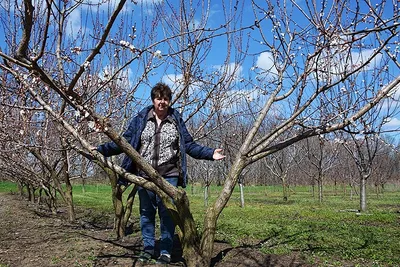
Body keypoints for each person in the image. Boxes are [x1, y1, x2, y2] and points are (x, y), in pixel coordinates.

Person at [96, 82, 225, 264]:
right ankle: (148, 249)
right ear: (153, 99)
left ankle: (165, 251)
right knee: (146, 213)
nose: (162, 102)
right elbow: (124, 142)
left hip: (168, 175)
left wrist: (210, 153)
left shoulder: (176, 119)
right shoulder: (141, 118)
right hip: (144, 175)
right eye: (159, 98)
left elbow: (188, 145)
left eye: (165, 99)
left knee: (167, 213)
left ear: (169, 101)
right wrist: (101, 150)